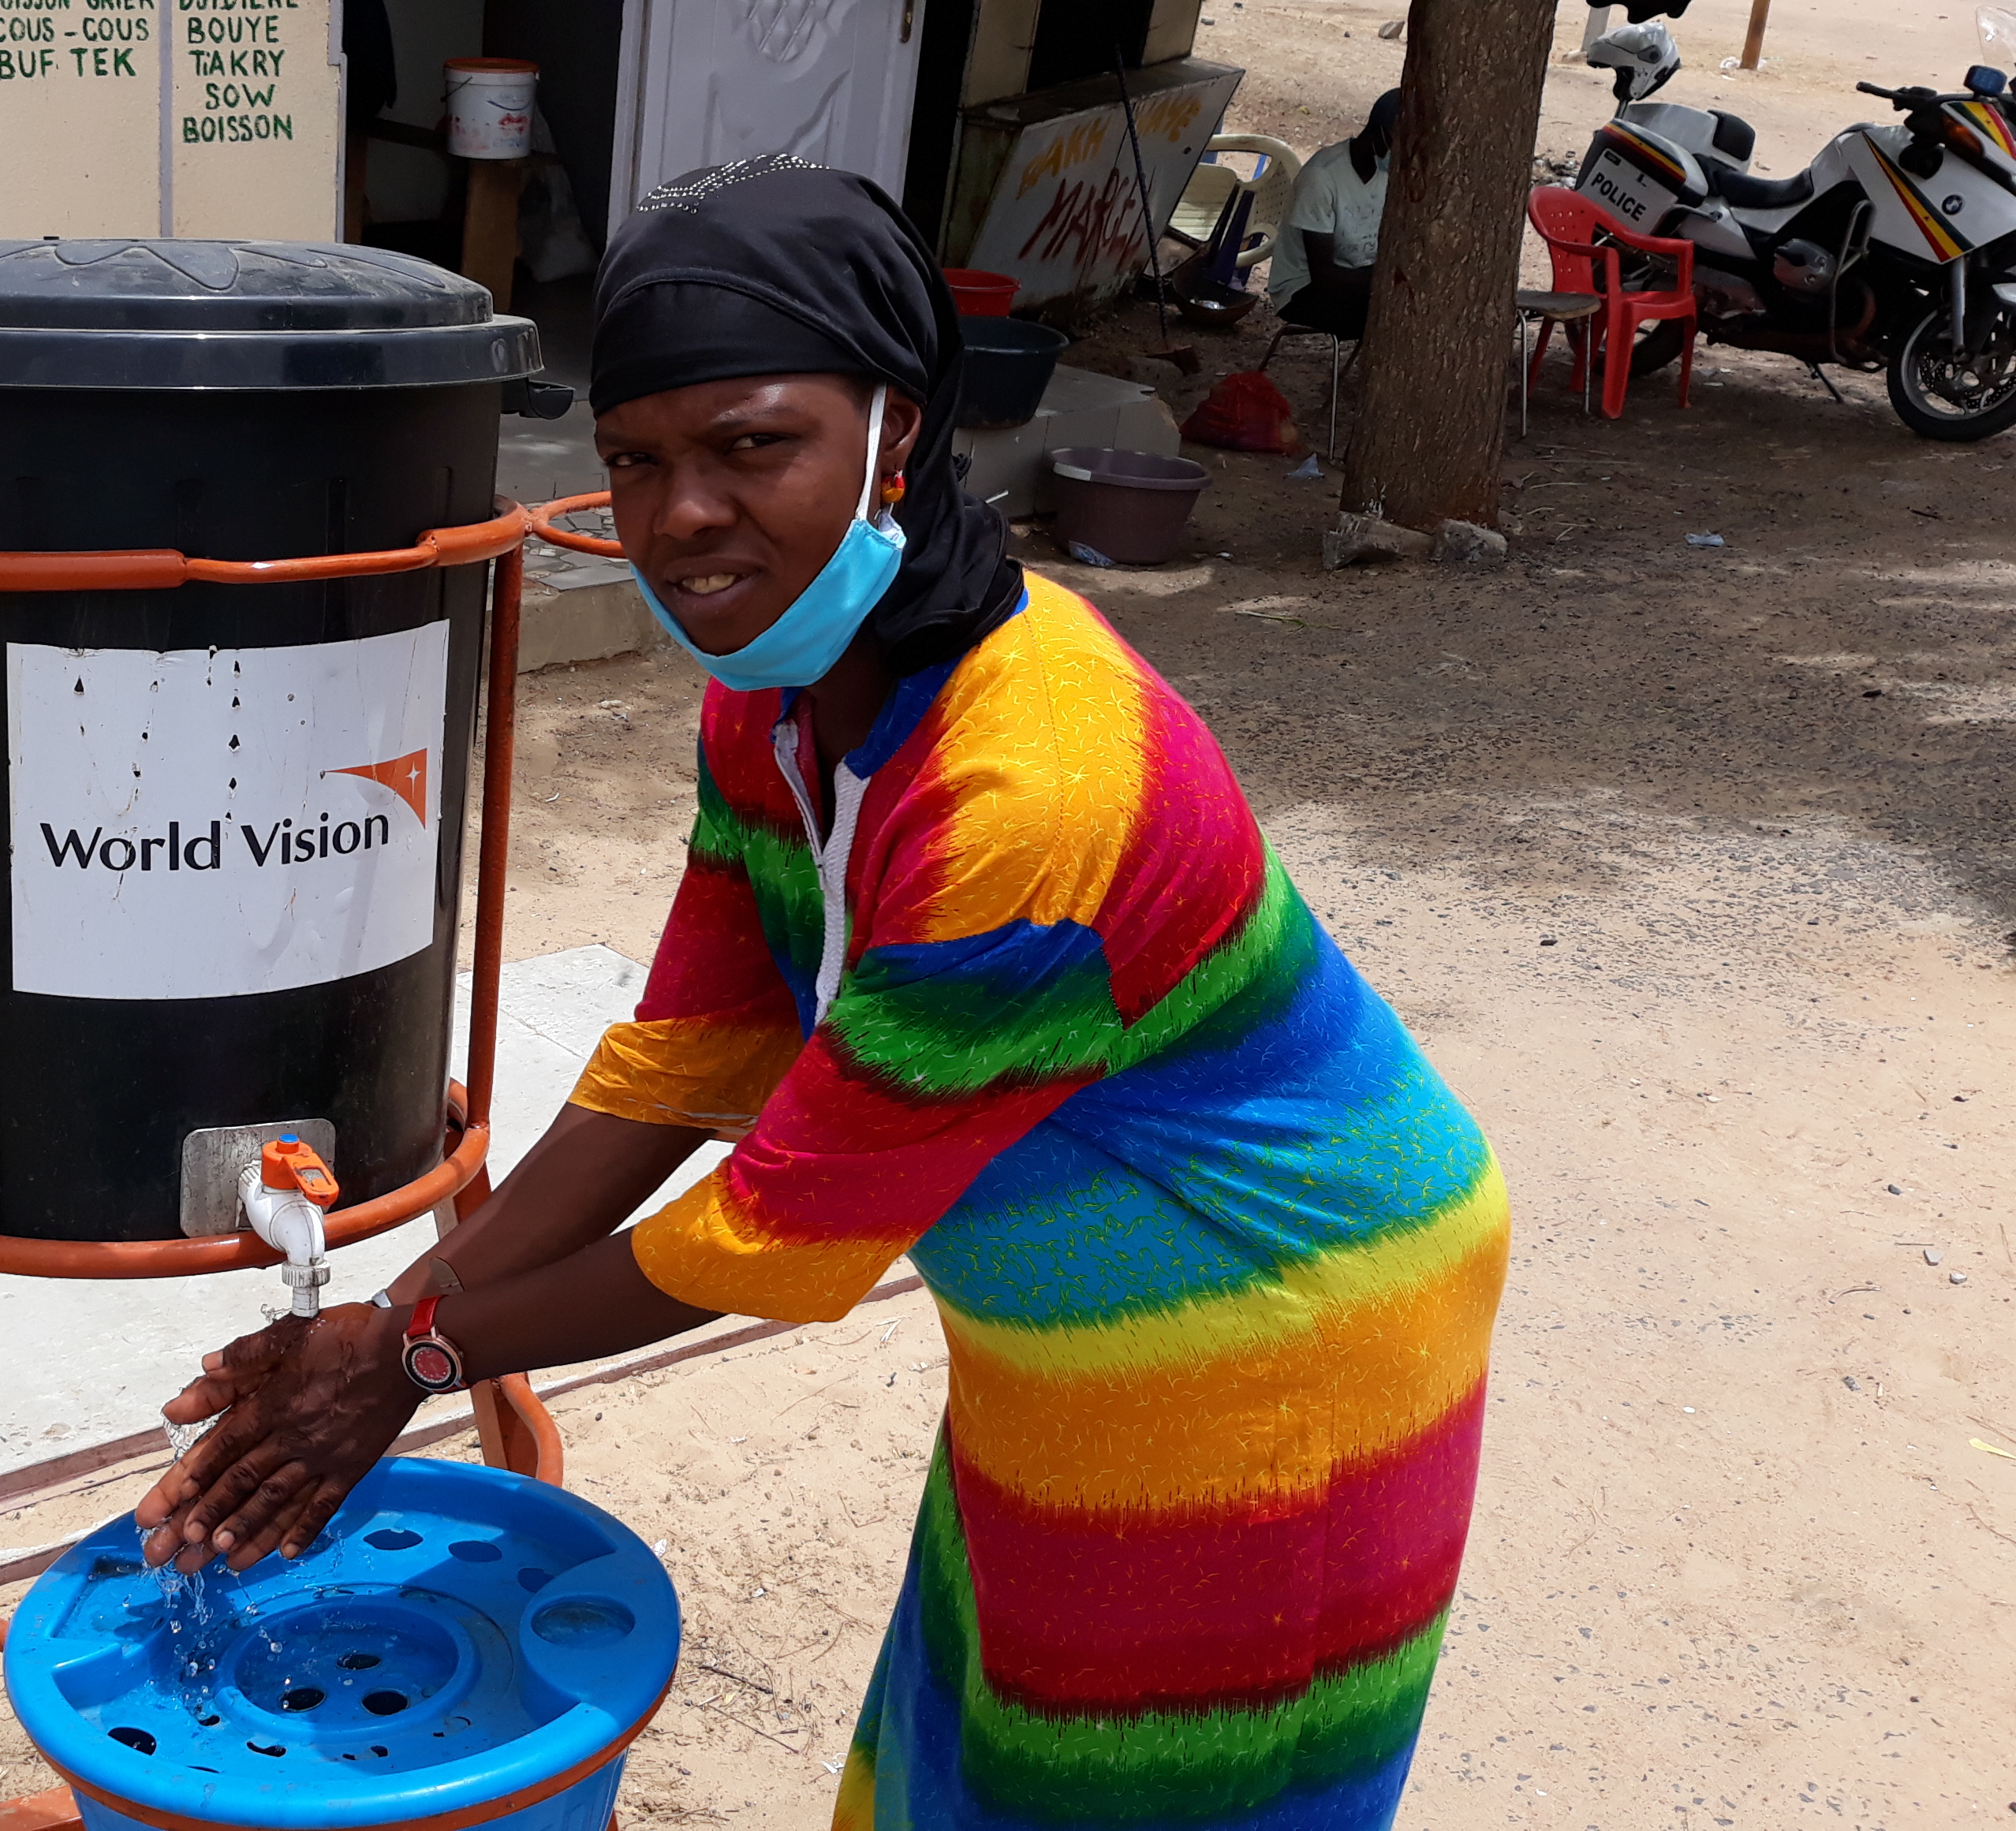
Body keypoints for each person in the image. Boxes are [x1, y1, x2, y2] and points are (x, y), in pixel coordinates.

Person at [136, 155, 1507, 1831]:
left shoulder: (1036, 795)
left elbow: (777, 1243)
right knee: (979, 1735)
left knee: (1150, 1777)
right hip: (1064, 1326)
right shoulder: (776, 704)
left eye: (751, 446)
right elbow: (688, 1056)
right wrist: (393, 1320)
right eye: (637, 462)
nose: (680, 518)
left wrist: (409, 1353)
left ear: (899, 432)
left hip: (1279, 1328)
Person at [1269, 90, 1402, 339]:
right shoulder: (1322, 178)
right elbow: (1324, 277)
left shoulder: (1387, 175)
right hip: (1303, 289)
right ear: (1381, 133)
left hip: (1357, 278)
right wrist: (1386, 282)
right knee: (1393, 318)